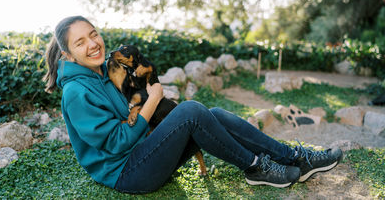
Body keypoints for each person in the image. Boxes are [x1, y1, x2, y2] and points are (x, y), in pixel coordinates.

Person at [43, 16, 343, 194]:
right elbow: (116, 143)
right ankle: (254, 167)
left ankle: (294, 158)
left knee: (213, 114)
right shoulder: (76, 93)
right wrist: (155, 99)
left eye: (93, 34)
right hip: (127, 173)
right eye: (80, 42)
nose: (92, 43)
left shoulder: (102, 75)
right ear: (68, 54)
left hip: (145, 154)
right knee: (190, 111)